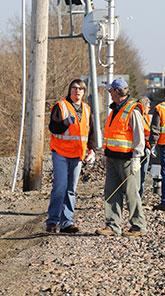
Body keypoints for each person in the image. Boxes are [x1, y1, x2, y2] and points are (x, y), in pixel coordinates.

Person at [95, 78, 147, 237]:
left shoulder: (133, 111)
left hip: (127, 160)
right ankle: (112, 226)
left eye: (111, 90)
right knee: (111, 192)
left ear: (118, 91)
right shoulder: (115, 110)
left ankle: (138, 226)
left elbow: (139, 136)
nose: (109, 93)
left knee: (131, 193)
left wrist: (137, 157)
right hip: (112, 158)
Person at [46, 79, 96, 233]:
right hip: (60, 153)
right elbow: (53, 128)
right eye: (74, 88)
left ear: (84, 92)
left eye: (81, 89)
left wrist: (92, 149)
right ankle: (53, 221)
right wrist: (65, 122)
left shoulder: (87, 109)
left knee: (71, 189)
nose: (77, 91)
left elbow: (91, 131)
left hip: (77, 154)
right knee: (60, 188)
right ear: (70, 90)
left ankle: (67, 222)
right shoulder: (60, 106)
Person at [138, 96, 152, 198]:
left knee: (143, 174)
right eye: (148, 106)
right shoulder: (138, 117)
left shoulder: (146, 117)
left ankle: (140, 195)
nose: (150, 108)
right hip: (140, 148)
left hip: (146, 147)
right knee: (140, 174)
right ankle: (138, 195)